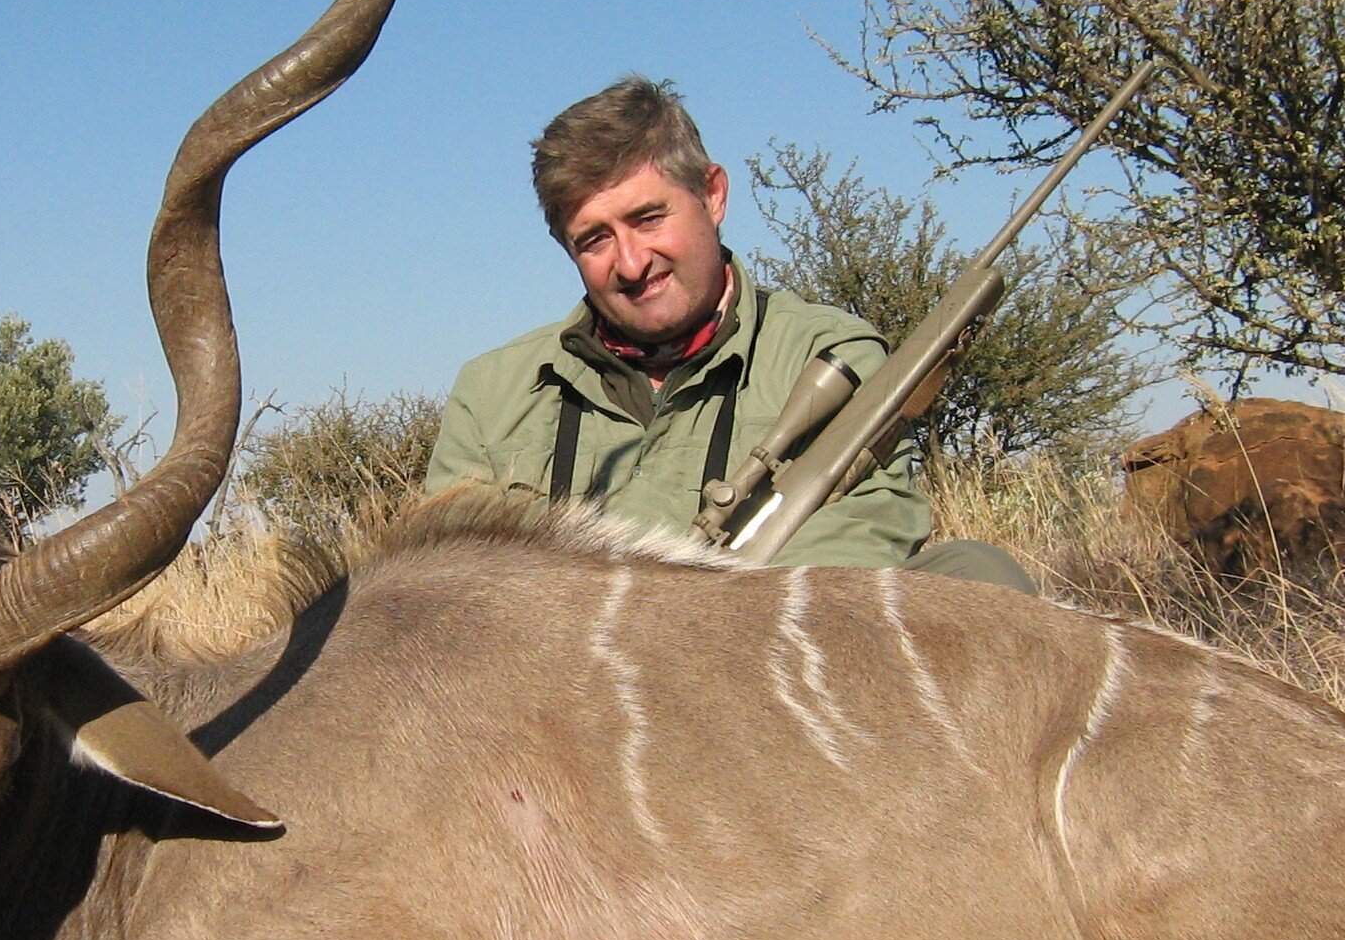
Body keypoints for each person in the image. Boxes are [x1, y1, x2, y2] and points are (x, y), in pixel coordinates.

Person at [425, 77, 1032, 589]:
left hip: (759, 666)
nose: (632, 263)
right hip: (566, 694)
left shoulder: (828, 355)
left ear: (712, 195)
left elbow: (875, 522)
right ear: (565, 247)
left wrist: (702, 618)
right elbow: (453, 587)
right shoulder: (491, 391)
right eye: (595, 239)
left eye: (648, 217)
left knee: (981, 575)